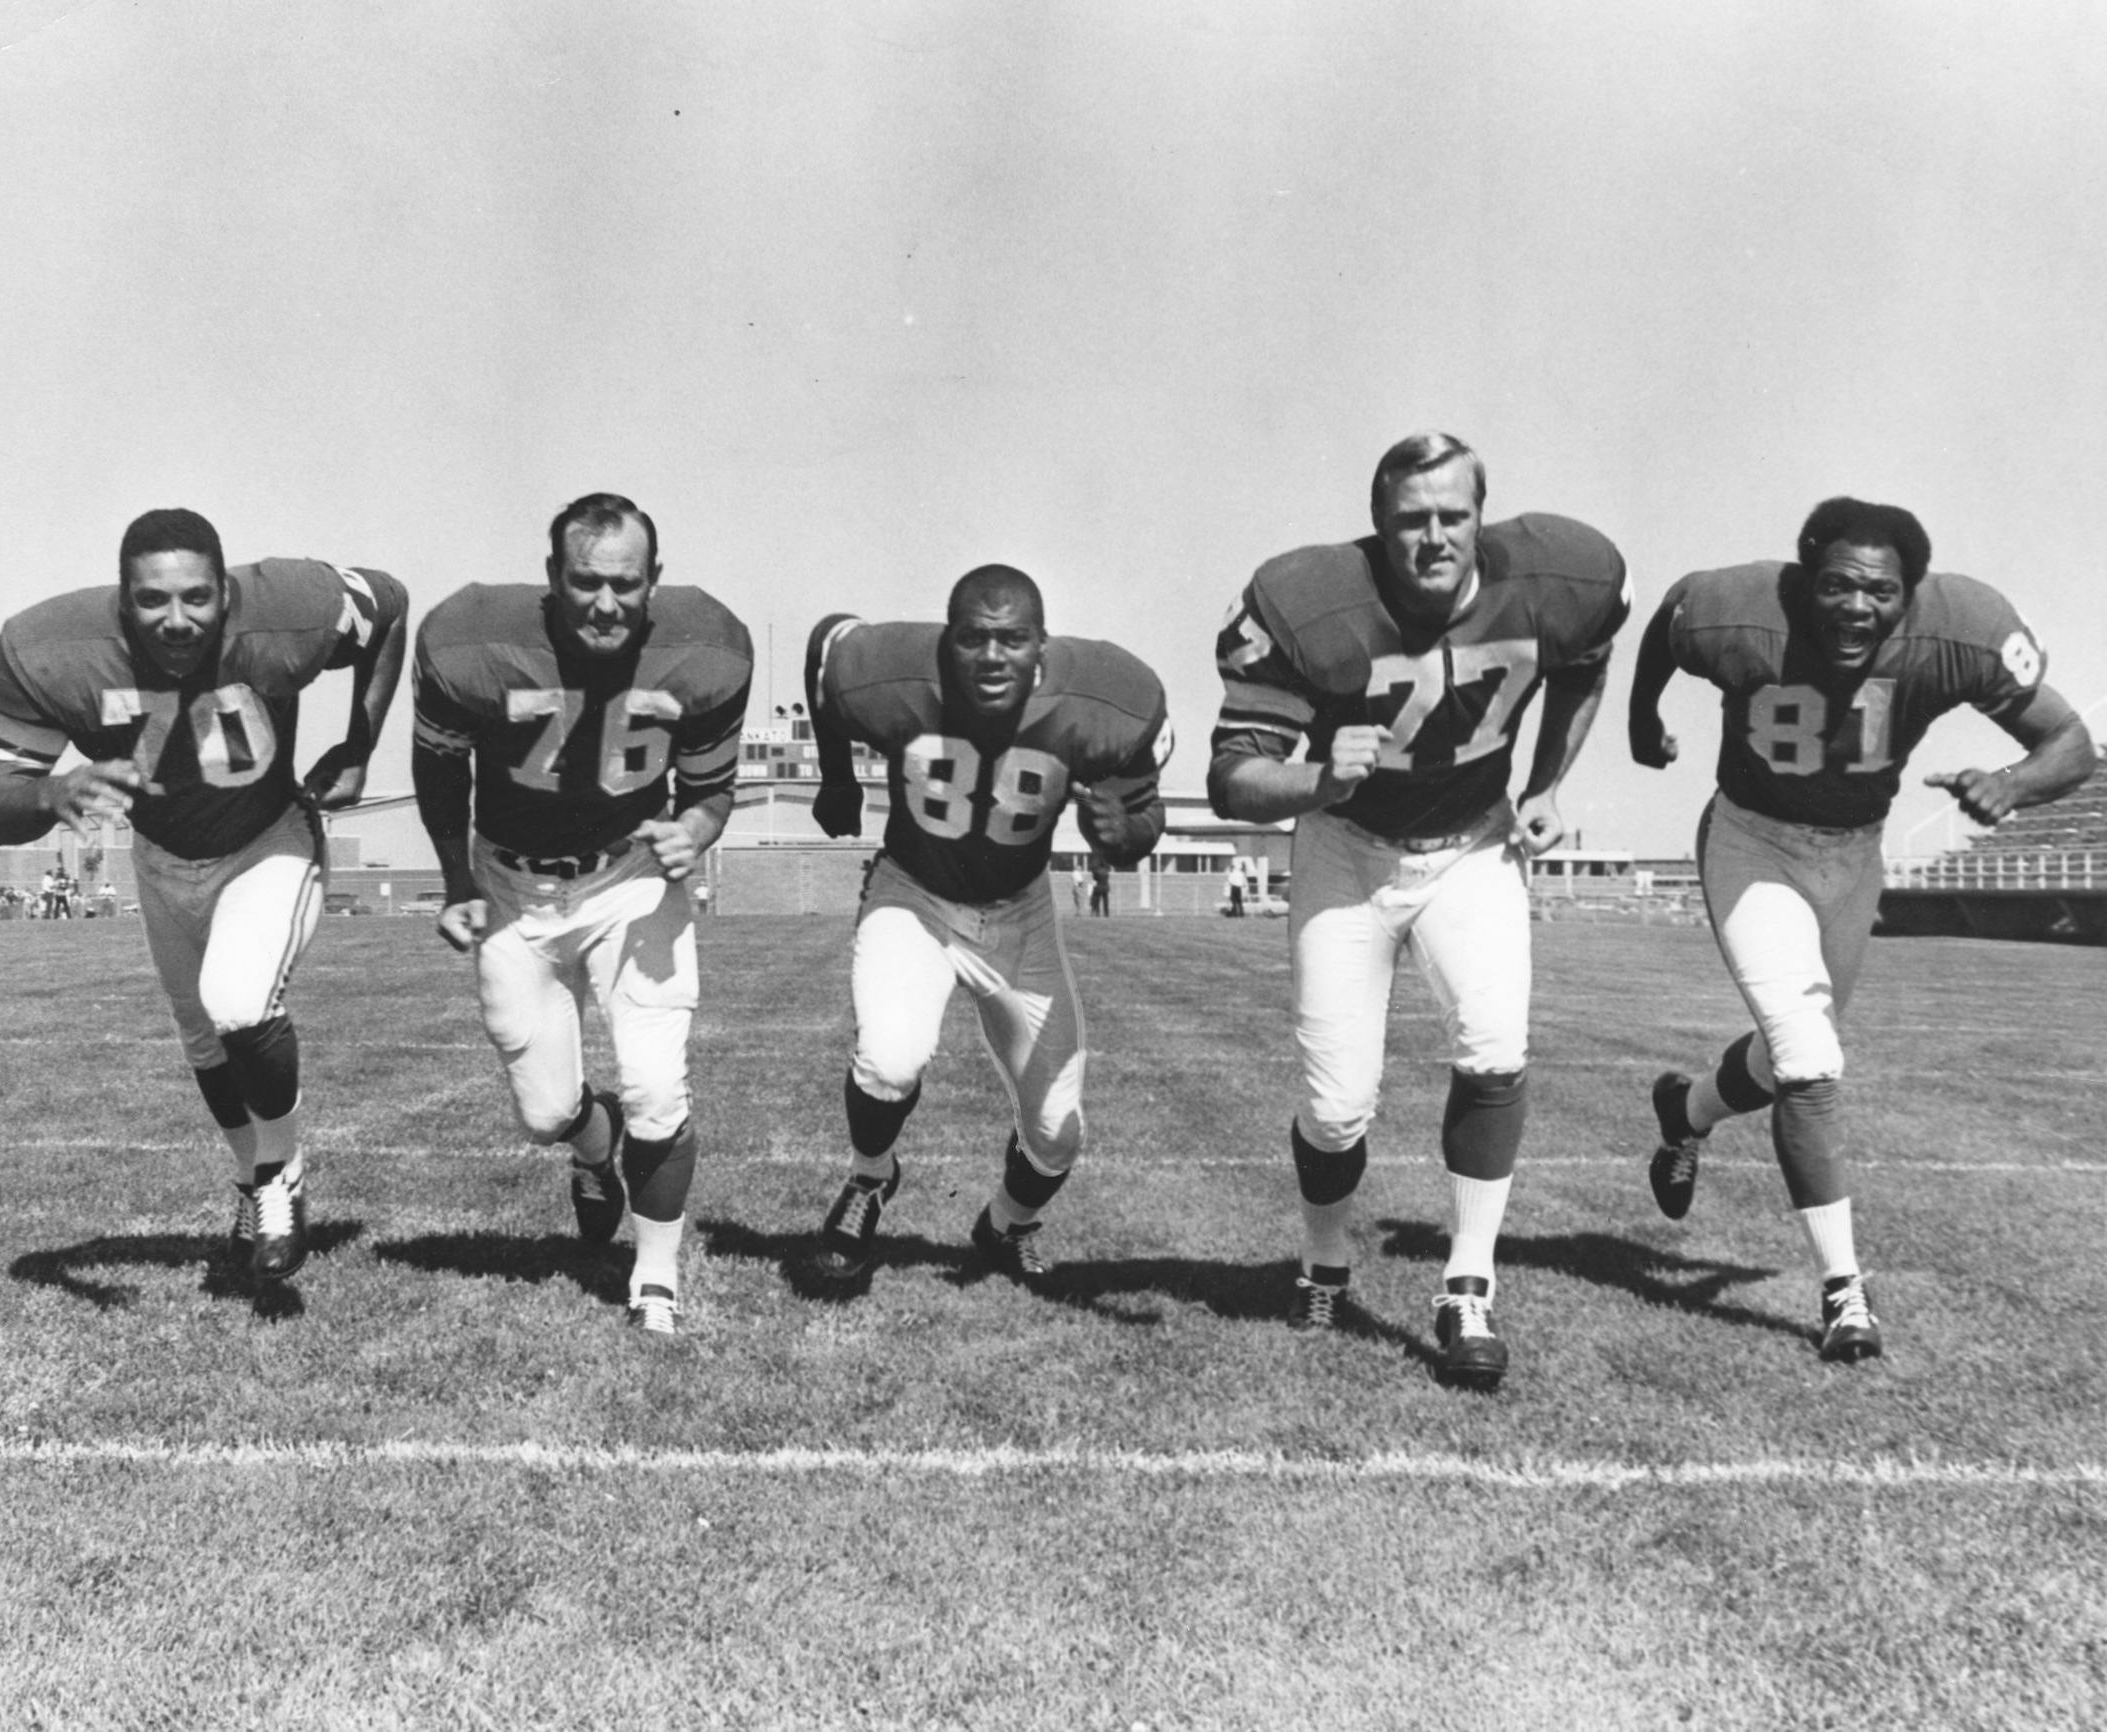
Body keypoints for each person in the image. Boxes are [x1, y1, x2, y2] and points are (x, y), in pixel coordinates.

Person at [1628, 496, 2095, 1362]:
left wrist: (2015, 785)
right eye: (1837, 586)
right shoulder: (1736, 608)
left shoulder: (1963, 630)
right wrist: (1639, 722)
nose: (1856, 608)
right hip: (1752, 840)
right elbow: (1665, 628)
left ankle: (1684, 1110)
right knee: (1809, 1062)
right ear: (1805, 581)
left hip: (1855, 854)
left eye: (1880, 593)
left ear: (1912, 594)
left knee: (1788, 1056)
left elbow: (2071, 741)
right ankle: (1844, 1293)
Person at [1210, 430, 1629, 1388]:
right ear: (1378, 528)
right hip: (1348, 852)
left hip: (1473, 844)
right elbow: (1231, 778)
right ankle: (1324, 1258)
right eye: (1411, 521)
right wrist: (1315, 777)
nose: (1434, 538)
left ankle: (1467, 1285)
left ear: (1482, 518)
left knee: (1495, 1048)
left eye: (1453, 516)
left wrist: (1549, 783)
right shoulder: (1309, 604)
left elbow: (1585, 664)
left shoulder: (1561, 577)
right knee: (1335, 1106)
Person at [0, 507, 407, 1286]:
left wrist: (360, 743)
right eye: (152, 601)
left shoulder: (290, 606)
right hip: (162, 855)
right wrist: (55, 790)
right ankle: (252, 1181)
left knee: (238, 1002)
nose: (177, 620)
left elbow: (390, 604)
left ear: (227, 595)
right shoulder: (53, 651)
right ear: (121, 598)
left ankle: (282, 1172)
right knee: (203, 1038)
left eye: (197, 599)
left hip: (267, 837)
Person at [410, 492, 752, 1338]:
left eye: (626, 586)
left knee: (657, 1086)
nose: (606, 604)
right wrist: (456, 881)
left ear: (655, 582)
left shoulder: (706, 648)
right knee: (544, 1114)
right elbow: (442, 778)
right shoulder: (471, 643)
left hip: (630, 873)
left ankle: (656, 1276)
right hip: (512, 882)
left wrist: (696, 832)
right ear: (551, 579)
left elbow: (709, 791)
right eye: (585, 583)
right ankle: (590, 1146)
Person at [803, 564, 1169, 1286]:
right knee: (889, 1058)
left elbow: (1144, 818)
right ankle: (871, 1179)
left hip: (1021, 910)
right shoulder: (890, 674)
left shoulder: (1106, 697)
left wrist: (1121, 835)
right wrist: (834, 774)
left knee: (1058, 1134)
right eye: (973, 638)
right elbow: (824, 650)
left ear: (1043, 646)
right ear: (947, 640)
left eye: (1012, 640)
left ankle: (1005, 1226)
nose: (993, 657)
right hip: (916, 894)